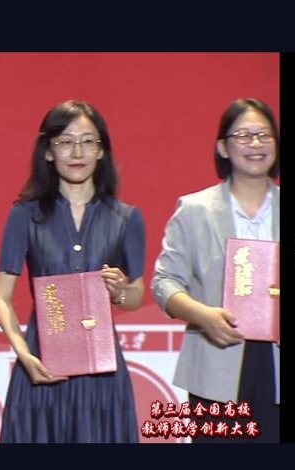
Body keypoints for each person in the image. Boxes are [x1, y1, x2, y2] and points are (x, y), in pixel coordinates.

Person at [0, 100, 145, 443]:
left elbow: (137, 294)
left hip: (103, 370)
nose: (77, 152)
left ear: (101, 150)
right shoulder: (25, 216)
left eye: (87, 141)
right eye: (65, 142)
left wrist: (120, 291)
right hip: (41, 363)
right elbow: (1, 295)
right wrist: (23, 354)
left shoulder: (125, 218)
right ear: (48, 151)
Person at [151, 98, 280, 443]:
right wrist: (202, 316)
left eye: (264, 135)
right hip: (215, 363)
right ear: (223, 147)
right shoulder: (195, 210)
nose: (255, 144)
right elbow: (164, 282)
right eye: (243, 135)